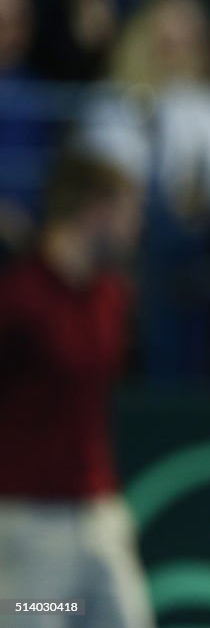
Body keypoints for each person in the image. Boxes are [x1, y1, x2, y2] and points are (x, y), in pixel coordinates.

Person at [0, 151, 155, 628]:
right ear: (96, 212)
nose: (137, 226)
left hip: (100, 514)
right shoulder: (17, 299)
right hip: (30, 522)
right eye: (128, 211)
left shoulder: (114, 297)